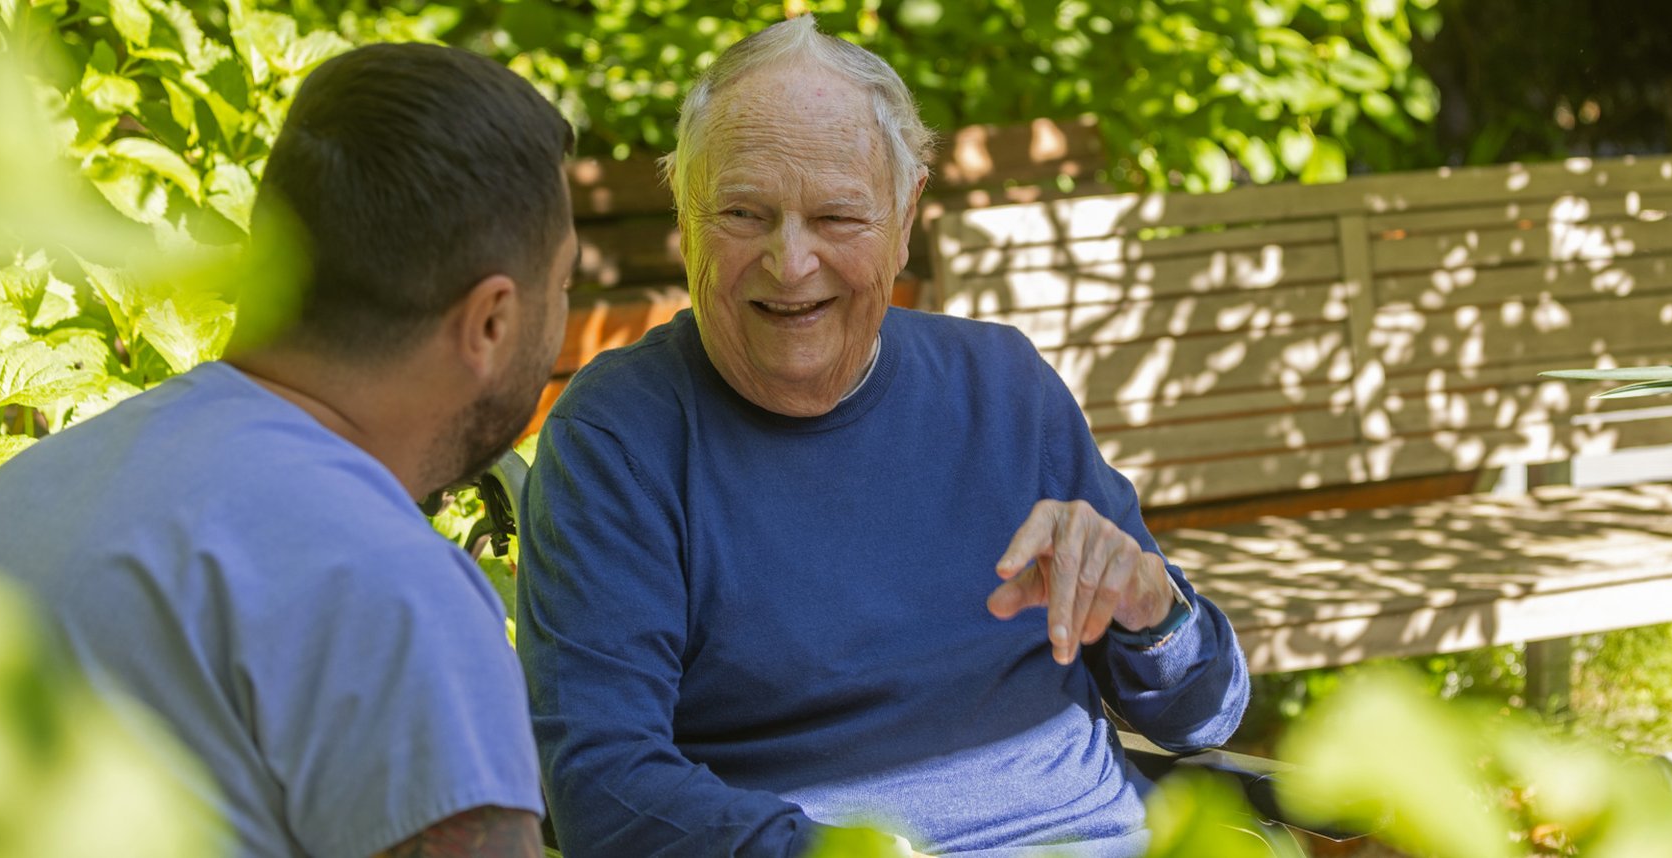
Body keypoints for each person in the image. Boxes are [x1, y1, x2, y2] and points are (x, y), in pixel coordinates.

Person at [518, 16, 1250, 857]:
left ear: (905, 218)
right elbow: (606, 793)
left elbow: (1207, 712)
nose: (790, 263)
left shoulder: (1004, 388)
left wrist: (1149, 609)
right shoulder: (620, 436)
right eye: (744, 213)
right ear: (685, 218)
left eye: (836, 217)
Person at [0, 43, 576, 858]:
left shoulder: (17, 499)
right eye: (563, 286)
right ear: (492, 321)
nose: (568, 312)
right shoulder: (392, 595)